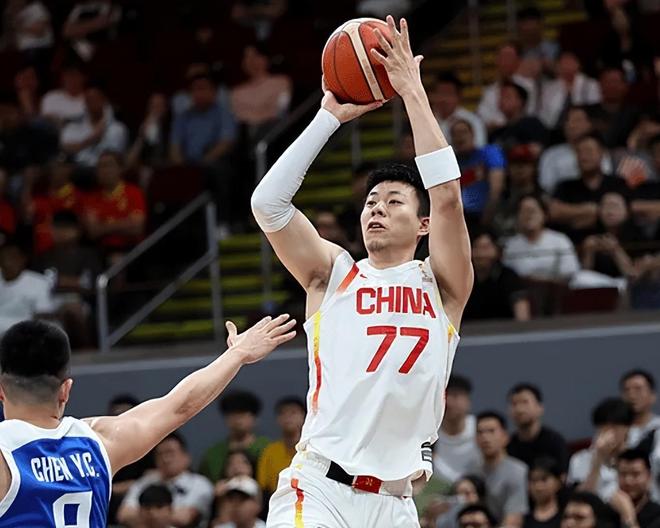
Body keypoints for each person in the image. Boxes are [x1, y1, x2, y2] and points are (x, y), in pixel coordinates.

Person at [251, 16, 472, 527]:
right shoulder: (333, 274)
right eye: (371, 201)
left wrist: (412, 91)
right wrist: (327, 118)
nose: (376, 209)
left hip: (396, 504)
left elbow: (447, 197)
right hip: (320, 490)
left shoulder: (442, 286)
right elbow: (268, 204)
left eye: (393, 202)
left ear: (422, 225)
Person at [0, 315, 296, 526]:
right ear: (66, 390)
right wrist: (237, 355)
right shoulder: (98, 440)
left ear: (1, 391)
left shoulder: (5, 452)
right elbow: (180, 405)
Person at [117, 432, 214, 528]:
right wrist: (165, 515)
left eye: (170, 453)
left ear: (186, 457)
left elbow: (184, 518)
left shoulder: (200, 484)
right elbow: (124, 514)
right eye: (160, 454)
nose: (165, 459)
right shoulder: (146, 481)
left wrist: (145, 513)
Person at [550, 133, 629, 240]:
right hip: (573, 243)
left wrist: (573, 217)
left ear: (602, 153)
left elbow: (625, 214)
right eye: (579, 152)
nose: (584, 156)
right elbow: (554, 212)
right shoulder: (565, 186)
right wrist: (590, 210)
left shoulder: (618, 184)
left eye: (589, 151)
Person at [567, 397, 634, 503]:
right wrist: (598, 459)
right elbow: (581, 500)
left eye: (614, 427)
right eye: (604, 427)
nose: (609, 433)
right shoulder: (579, 459)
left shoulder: (638, 458)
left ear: (627, 428)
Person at [81, 151, 146, 257]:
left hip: (131, 251)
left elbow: (137, 228)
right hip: (101, 252)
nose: (104, 170)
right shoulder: (90, 198)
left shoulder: (134, 192)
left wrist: (104, 225)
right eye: (100, 166)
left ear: (120, 169)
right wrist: (125, 223)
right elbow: (93, 232)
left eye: (109, 165)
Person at [503, 194, 580, 282]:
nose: (528, 216)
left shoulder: (560, 240)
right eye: (524, 211)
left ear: (544, 215)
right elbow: (507, 277)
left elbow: (570, 272)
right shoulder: (511, 245)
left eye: (532, 211)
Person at [199, 390, 270, 484]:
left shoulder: (268, 448)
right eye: (233, 415)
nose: (238, 420)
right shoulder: (213, 453)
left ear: (255, 418)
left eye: (243, 414)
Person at [538, 107, 612, 194]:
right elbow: (546, 186)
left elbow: (606, 178)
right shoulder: (551, 154)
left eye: (577, 120)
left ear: (589, 124)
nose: (571, 125)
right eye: (567, 120)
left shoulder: (600, 151)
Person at [105, 394, 153, 525]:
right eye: (116, 416)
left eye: (126, 415)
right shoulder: (100, 446)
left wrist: (130, 486)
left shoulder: (151, 446)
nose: (121, 421)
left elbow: (153, 476)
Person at [170, 72, 237, 166]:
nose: (199, 93)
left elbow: (226, 143)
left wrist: (203, 164)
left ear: (214, 92)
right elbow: (174, 147)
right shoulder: (182, 117)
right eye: (195, 89)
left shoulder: (224, 114)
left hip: (214, 164)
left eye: (203, 88)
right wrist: (181, 167)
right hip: (187, 165)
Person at [463, 229, 531, 321]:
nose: (481, 254)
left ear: (497, 250)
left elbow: (522, 314)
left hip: (504, 328)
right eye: (476, 247)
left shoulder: (509, 277)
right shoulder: (463, 279)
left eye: (486, 248)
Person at [451, 119, 506, 225]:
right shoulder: (452, 162)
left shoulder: (489, 153)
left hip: (486, 215)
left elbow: (496, 188)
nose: (459, 137)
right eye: (455, 134)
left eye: (463, 132)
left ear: (473, 134)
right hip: (461, 219)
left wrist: (487, 217)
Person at [230, 43, 292, 138]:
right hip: (249, 136)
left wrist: (253, 113)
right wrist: (265, 110)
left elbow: (280, 110)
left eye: (256, 55)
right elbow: (238, 116)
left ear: (265, 58)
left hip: (278, 132)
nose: (251, 61)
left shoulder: (282, 82)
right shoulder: (236, 92)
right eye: (247, 57)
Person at [60, 85, 128, 168]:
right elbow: (65, 147)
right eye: (89, 100)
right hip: (78, 168)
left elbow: (114, 157)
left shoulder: (117, 129)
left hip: (102, 169)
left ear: (104, 100)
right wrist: (90, 139)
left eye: (96, 99)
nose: (92, 103)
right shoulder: (74, 125)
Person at [507, 383, 570, 473]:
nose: (519, 409)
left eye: (525, 402)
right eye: (514, 404)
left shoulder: (554, 442)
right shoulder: (508, 447)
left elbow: (563, 475)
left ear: (540, 407)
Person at [580, 192, 644, 278]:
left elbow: (633, 275)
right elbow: (584, 275)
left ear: (627, 212)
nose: (609, 211)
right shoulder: (590, 233)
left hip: (625, 283)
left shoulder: (638, 236)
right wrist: (588, 252)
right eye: (605, 206)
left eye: (615, 206)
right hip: (596, 282)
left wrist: (615, 250)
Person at [477, 42, 538, 130]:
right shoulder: (489, 91)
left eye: (509, 56)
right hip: (496, 134)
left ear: (518, 61)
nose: (505, 61)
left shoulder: (528, 85)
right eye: (502, 56)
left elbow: (531, 113)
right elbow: (483, 118)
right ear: (497, 60)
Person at [0, 242, 55, 334]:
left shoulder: (39, 282)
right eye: (3, 258)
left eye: (12, 258)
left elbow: (44, 313)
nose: (7, 262)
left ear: (23, 259)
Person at [434, 374, 480, 484]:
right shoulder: (429, 434)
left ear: (468, 401)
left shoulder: (480, 429)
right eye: (445, 396)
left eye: (455, 396)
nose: (449, 402)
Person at [257, 396, 306, 496]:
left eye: (293, 413)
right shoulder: (270, 451)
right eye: (282, 413)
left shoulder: (312, 449)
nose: (288, 417)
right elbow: (263, 486)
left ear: (304, 417)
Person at [538, 52, 601, 129]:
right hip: (553, 127)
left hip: (582, 126)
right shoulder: (549, 87)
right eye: (563, 63)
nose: (567, 66)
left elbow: (594, 109)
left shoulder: (591, 84)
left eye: (570, 62)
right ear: (557, 66)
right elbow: (544, 112)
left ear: (578, 64)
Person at [586, 67, 640, 149]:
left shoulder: (636, 114)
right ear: (600, 85)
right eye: (607, 82)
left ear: (625, 86)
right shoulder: (587, 112)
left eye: (615, 82)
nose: (612, 86)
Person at [430, 72, 487, 147]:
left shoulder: (473, 121)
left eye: (448, 94)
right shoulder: (426, 120)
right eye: (440, 93)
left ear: (459, 96)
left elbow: (479, 147)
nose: (443, 99)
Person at [489, 81, 549, 150]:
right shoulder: (497, 132)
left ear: (520, 101)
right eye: (500, 97)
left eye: (507, 96)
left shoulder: (532, 124)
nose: (501, 100)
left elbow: (536, 150)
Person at [614, 449, 660, 528]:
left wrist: (629, 518)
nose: (628, 481)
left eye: (635, 474)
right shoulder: (607, 512)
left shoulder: (657, 515)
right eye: (623, 474)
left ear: (649, 476)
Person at [620, 370, 660, 450]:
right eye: (627, 390)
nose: (632, 396)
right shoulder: (615, 431)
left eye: (638, 389)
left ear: (652, 396)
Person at [524, 457, 563, 528]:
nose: (538, 487)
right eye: (533, 480)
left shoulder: (566, 517)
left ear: (558, 482)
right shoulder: (522, 518)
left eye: (544, 479)